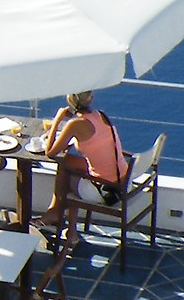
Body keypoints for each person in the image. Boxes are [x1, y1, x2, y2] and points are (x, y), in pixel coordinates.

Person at [42, 90, 128, 227]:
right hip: (123, 181)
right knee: (68, 163)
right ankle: (66, 227)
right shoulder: (101, 115)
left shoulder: (74, 125)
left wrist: (57, 120)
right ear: (91, 99)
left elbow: (50, 152)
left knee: (65, 172)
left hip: (106, 192)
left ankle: (55, 214)